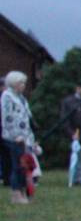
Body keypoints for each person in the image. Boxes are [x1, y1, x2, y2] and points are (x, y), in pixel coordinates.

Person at [2, 71, 35, 204]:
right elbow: (7, 118)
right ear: (14, 83)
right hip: (13, 137)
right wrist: (16, 135)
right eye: (21, 83)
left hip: (25, 136)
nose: (24, 85)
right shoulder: (7, 97)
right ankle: (15, 193)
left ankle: (23, 191)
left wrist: (30, 137)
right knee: (17, 165)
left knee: (24, 166)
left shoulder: (22, 98)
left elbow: (27, 117)